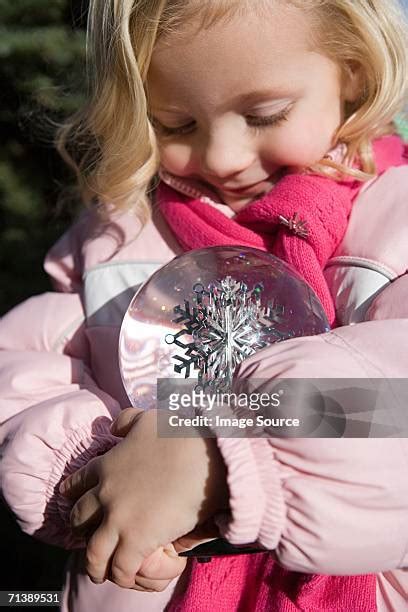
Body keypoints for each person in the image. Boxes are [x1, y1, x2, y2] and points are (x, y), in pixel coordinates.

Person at [1, 0, 408, 610]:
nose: (221, 157)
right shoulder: (118, 240)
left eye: (263, 113)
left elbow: (395, 405)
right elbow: (22, 365)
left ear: (351, 69)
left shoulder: (394, 228)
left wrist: (223, 445)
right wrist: (91, 471)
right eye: (175, 124)